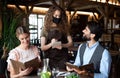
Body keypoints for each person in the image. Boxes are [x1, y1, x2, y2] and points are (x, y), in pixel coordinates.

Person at [40, 5, 73, 70]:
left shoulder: (64, 28)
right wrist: (52, 44)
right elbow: (42, 47)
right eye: (55, 16)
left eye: (59, 16)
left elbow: (71, 43)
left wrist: (62, 45)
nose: (58, 18)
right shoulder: (45, 29)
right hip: (50, 59)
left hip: (63, 58)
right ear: (50, 15)